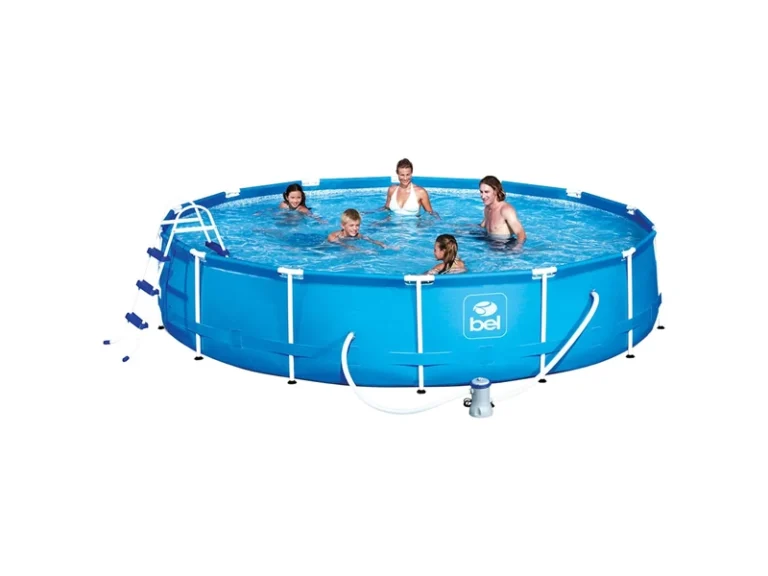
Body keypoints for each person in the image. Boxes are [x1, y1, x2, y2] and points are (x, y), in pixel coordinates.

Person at [478, 175, 526, 244]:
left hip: (505, 247)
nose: (483, 196)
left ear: (495, 191)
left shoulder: (506, 210)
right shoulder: (487, 208)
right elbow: (482, 226)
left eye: (486, 192)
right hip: (489, 242)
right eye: (481, 192)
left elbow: (521, 234)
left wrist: (516, 248)